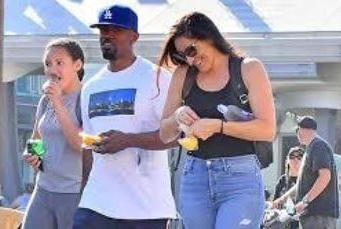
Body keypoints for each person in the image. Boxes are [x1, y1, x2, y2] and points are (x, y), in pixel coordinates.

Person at [158, 12, 276, 229]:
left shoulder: (248, 68)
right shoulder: (183, 75)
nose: (190, 60)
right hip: (195, 176)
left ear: (208, 37)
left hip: (240, 178)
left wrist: (219, 126)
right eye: (183, 56)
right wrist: (177, 117)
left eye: (192, 50)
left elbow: (267, 129)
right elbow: (164, 134)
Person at [72, 5, 176, 229]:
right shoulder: (91, 86)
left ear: (134, 37)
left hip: (145, 209)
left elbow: (175, 136)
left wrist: (128, 140)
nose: (107, 35)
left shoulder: (157, 78)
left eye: (116, 30)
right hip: (96, 203)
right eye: (103, 30)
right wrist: (84, 192)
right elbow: (87, 146)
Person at [22, 38, 90, 229]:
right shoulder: (45, 101)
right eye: (48, 64)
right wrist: (32, 154)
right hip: (43, 189)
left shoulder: (86, 99)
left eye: (60, 63)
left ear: (78, 65)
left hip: (73, 194)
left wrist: (59, 103)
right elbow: (36, 138)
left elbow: (82, 146)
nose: (52, 70)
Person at [273, 116, 339, 229]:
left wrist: (305, 201)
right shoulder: (310, 148)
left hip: (319, 215)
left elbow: (325, 177)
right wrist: (282, 199)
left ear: (301, 129)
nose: (297, 134)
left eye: (297, 130)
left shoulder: (318, 146)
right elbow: (302, 183)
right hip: (311, 215)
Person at [272, 146, 304, 229]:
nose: (295, 160)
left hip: (302, 223)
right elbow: (275, 203)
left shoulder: (307, 180)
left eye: (299, 157)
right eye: (292, 157)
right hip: (283, 223)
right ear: (288, 160)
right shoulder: (282, 180)